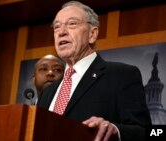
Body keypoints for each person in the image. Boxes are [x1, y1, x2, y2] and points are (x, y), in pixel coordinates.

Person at [37, 1, 151, 141]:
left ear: (92, 34)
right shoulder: (47, 93)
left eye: (72, 24)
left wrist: (116, 130)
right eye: (56, 27)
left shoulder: (122, 75)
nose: (61, 32)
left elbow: (148, 132)